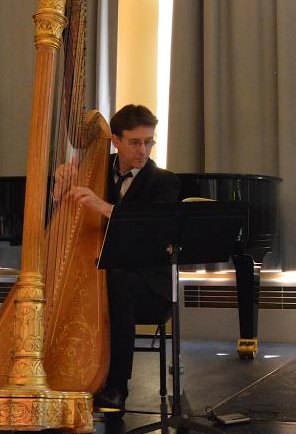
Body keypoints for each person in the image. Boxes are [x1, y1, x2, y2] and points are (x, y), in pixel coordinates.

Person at [56, 104, 180, 414]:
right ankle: (57, 368)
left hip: (151, 284)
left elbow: (150, 230)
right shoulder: (95, 169)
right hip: (104, 273)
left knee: (116, 283)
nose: (144, 150)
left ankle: (116, 387)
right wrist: (61, 188)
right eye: (136, 142)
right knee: (75, 281)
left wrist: (104, 207)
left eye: (149, 141)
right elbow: (67, 215)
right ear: (115, 140)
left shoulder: (164, 182)